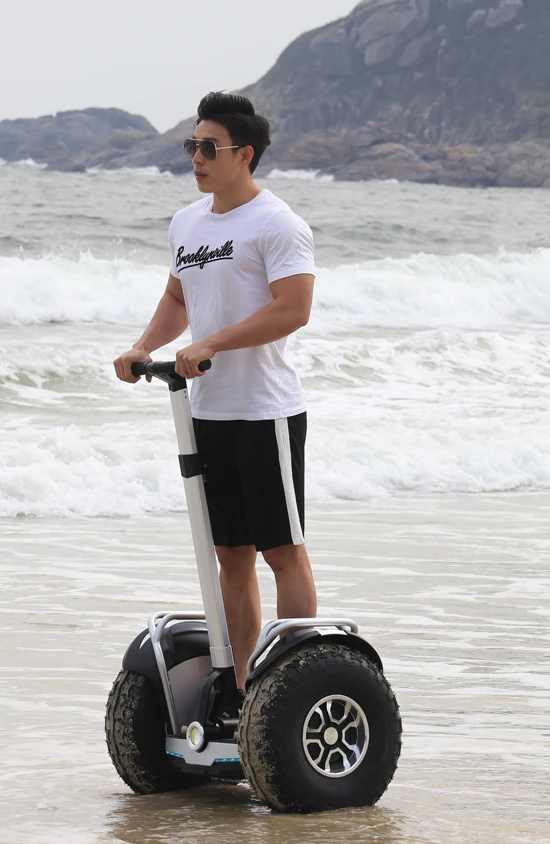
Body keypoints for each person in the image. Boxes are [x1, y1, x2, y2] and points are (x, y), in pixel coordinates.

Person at [113, 91, 317, 693]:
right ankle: (243, 685)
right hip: (208, 412)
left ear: (244, 154)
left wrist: (212, 344)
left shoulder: (278, 223)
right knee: (231, 553)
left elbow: (293, 309)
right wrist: (143, 346)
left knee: (282, 552)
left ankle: (292, 685)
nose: (196, 158)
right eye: (191, 146)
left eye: (208, 147)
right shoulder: (187, 222)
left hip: (265, 411)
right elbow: (178, 297)